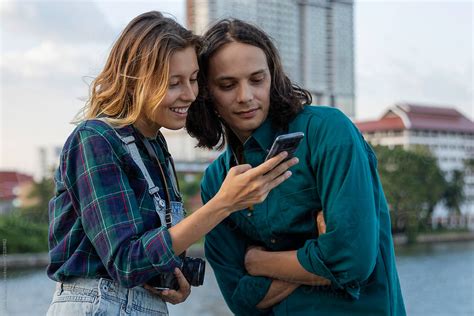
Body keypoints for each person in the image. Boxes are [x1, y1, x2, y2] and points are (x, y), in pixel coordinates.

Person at [46, 12, 297, 316]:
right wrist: (223, 204)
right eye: (173, 83)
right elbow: (126, 262)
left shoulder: (155, 148)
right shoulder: (95, 139)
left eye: (193, 80)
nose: (190, 94)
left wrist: (173, 276)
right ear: (134, 80)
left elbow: (149, 254)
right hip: (98, 303)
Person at [186, 19, 406, 315]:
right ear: (206, 93)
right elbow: (241, 299)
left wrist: (259, 263)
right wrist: (319, 256)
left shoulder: (328, 132)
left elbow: (352, 262)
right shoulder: (216, 183)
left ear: (273, 77)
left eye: (257, 79)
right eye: (227, 85)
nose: (245, 96)